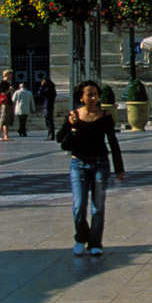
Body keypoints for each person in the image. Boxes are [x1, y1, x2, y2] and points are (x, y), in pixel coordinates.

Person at [59, 80, 125, 256]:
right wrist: (71, 125)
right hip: (78, 164)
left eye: (95, 94)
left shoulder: (105, 116)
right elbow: (60, 139)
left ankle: (95, 243)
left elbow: (113, 142)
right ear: (81, 97)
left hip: (100, 164)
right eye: (89, 94)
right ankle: (81, 237)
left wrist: (119, 168)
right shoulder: (74, 115)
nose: (93, 97)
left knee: (98, 206)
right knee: (79, 205)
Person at [0, 69, 14, 142]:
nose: (11, 76)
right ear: (6, 75)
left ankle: (6, 135)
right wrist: (9, 90)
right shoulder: (3, 83)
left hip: (9, 103)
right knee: (2, 119)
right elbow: (3, 93)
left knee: (7, 120)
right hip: (5, 103)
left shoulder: (8, 83)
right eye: (10, 74)